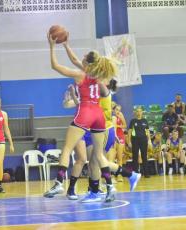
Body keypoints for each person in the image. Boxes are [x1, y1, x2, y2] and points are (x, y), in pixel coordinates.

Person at [43, 32, 118, 202]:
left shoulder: (80, 75)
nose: (81, 57)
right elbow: (76, 60)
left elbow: (56, 66)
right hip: (98, 115)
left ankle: (59, 183)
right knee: (98, 155)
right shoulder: (96, 73)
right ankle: (110, 187)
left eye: (84, 57)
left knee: (67, 148)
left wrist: (52, 46)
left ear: (87, 63)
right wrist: (66, 45)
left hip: (85, 112)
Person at [128, 106, 150, 178]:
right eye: (137, 111)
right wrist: (129, 141)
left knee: (144, 156)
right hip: (135, 140)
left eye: (140, 111)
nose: (139, 113)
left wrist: (149, 140)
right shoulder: (133, 121)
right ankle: (135, 173)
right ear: (135, 113)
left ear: (142, 112)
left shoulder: (145, 121)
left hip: (143, 140)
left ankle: (146, 173)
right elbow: (129, 131)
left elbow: (147, 131)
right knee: (135, 156)